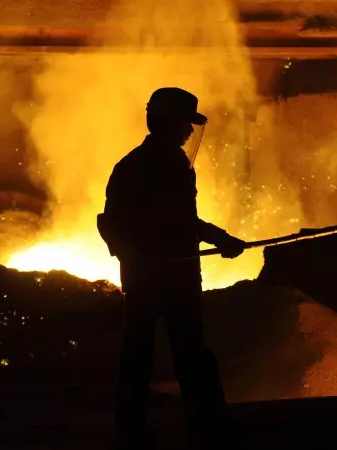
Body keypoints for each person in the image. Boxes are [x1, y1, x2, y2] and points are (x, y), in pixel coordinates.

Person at [98, 87, 247, 449]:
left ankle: (130, 429)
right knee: (190, 352)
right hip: (173, 276)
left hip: (145, 276)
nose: (189, 131)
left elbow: (111, 223)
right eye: (185, 123)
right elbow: (178, 221)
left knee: (139, 351)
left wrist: (131, 258)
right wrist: (220, 239)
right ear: (171, 122)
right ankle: (207, 428)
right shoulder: (169, 166)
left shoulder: (132, 164)